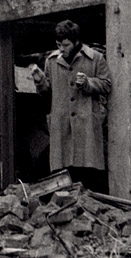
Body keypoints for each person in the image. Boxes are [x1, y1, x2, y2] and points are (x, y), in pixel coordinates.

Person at [31, 20, 111, 193]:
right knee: (63, 171)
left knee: (88, 170)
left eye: (65, 45)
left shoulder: (95, 58)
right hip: (62, 124)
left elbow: (106, 84)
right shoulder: (51, 61)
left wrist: (88, 83)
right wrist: (40, 82)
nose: (61, 49)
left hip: (87, 122)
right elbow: (46, 92)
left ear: (76, 42)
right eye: (58, 44)